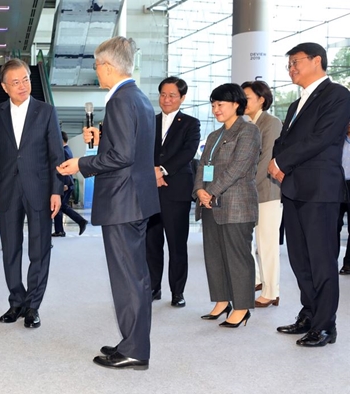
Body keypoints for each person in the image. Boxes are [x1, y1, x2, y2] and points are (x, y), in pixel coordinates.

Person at [57, 37, 158, 370]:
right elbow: (128, 149)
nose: (95, 70)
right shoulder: (138, 98)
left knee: (128, 277)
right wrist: (102, 141)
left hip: (123, 200)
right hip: (135, 198)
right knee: (134, 275)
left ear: (109, 66)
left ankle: (135, 350)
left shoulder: (120, 100)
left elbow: (122, 156)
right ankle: (131, 341)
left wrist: (81, 165)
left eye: (97, 64)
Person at [269, 42, 350, 347]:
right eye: (288, 64)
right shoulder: (295, 103)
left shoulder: (338, 95)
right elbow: (284, 139)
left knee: (322, 260)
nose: (291, 68)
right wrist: (277, 160)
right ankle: (310, 313)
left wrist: (281, 163)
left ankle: (326, 326)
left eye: (296, 62)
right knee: (299, 259)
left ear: (317, 61)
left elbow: (322, 138)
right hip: (293, 188)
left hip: (319, 190)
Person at [0, 58, 63, 329]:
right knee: (10, 248)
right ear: (5, 87)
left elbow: (56, 155)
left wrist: (56, 190)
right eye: (15, 82)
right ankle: (16, 301)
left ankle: (33, 305)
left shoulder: (46, 111)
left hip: (39, 188)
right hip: (6, 189)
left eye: (26, 79)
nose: (23, 86)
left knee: (40, 248)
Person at [194, 84, 260, 329]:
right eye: (213, 105)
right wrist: (199, 190)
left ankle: (242, 308)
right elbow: (202, 166)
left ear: (236, 104)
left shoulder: (248, 131)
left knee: (237, 257)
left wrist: (209, 191)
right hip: (210, 204)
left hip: (236, 205)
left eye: (220, 104)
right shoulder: (214, 135)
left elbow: (238, 168)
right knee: (214, 256)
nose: (215, 110)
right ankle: (222, 301)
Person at [146, 76, 200, 307]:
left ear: (182, 98)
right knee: (151, 242)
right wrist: (151, 172)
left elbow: (188, 152)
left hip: (175, 190)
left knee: (177, 244)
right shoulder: (149, 120)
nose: (166, 99)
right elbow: (140, 150)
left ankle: (177, 292)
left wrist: (162, 170)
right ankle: (153, 288)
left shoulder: (191, 123)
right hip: (150, 189)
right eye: (163, 94)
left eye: (172, 95)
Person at [241, 80, 283, 307]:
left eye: (247, 97)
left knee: (267, 244)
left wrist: (243, 188)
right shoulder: (248, 124)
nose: (243, 101)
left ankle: (271, 291)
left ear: (261, 100)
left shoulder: (271, 123)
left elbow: (265, 162)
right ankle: (258, 280)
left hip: (267, 191)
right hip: (250, 192)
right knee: (251, 241)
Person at [52, 131, 88, 238]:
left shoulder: (63, 151)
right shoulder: (67, 150)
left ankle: (80, 221)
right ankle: (60, 230)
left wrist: (63, 184)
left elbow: (64, 169)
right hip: (67, 182)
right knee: (60, 206)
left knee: (60, 206)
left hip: (65, 183)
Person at [338, 122, 350, 275]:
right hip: (338, 184)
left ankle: (348, 263)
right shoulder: (337, 140)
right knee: (334, 225)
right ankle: (330, 260)